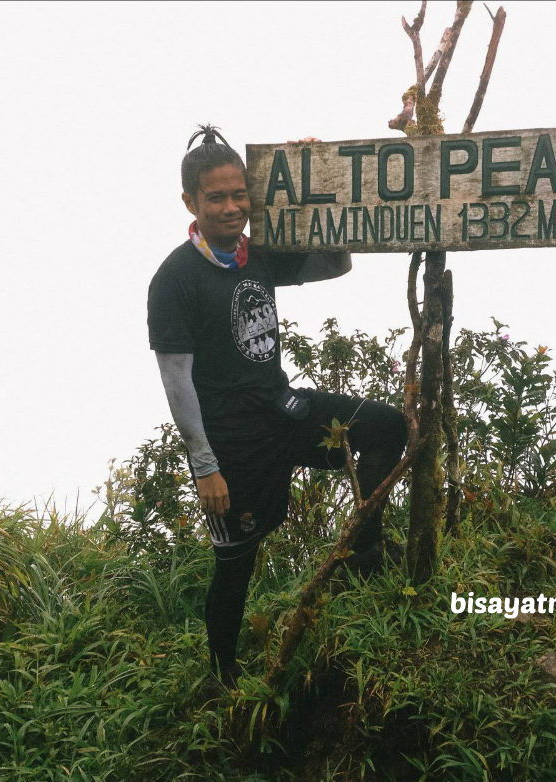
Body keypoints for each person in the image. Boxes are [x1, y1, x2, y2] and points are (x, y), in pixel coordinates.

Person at [147, 125, 407, 691]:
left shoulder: (254, 254)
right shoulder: (175, 279)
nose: (232, 206)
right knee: (237, 559)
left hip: (285, 413)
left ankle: (365, 554)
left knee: (387, 428)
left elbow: (334, 264)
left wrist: (319, 192)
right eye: (216, 197)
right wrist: (204, 466)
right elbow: (176, 382)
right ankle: (222, 674)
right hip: (232, 444)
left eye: (240, 194)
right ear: (190, 201)